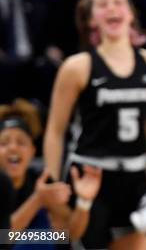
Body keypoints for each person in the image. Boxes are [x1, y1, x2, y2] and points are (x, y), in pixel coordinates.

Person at [43, 0, 146, 250]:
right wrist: (53, 184)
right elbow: (55, 130)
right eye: (103, 4)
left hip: (135, 177)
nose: (111, 8)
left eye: (118, 2)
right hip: (89, 174)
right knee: (83, 242)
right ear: (91, 20)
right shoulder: (77, 67)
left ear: (131, 14)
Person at [0, 99, 103, 247]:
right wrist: (37, 200)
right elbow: (2, 238)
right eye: (4, 143)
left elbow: (70, 234)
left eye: (21, 142)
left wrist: (84, 202)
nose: (13, 148)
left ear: (32, 151)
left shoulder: (43, 181)